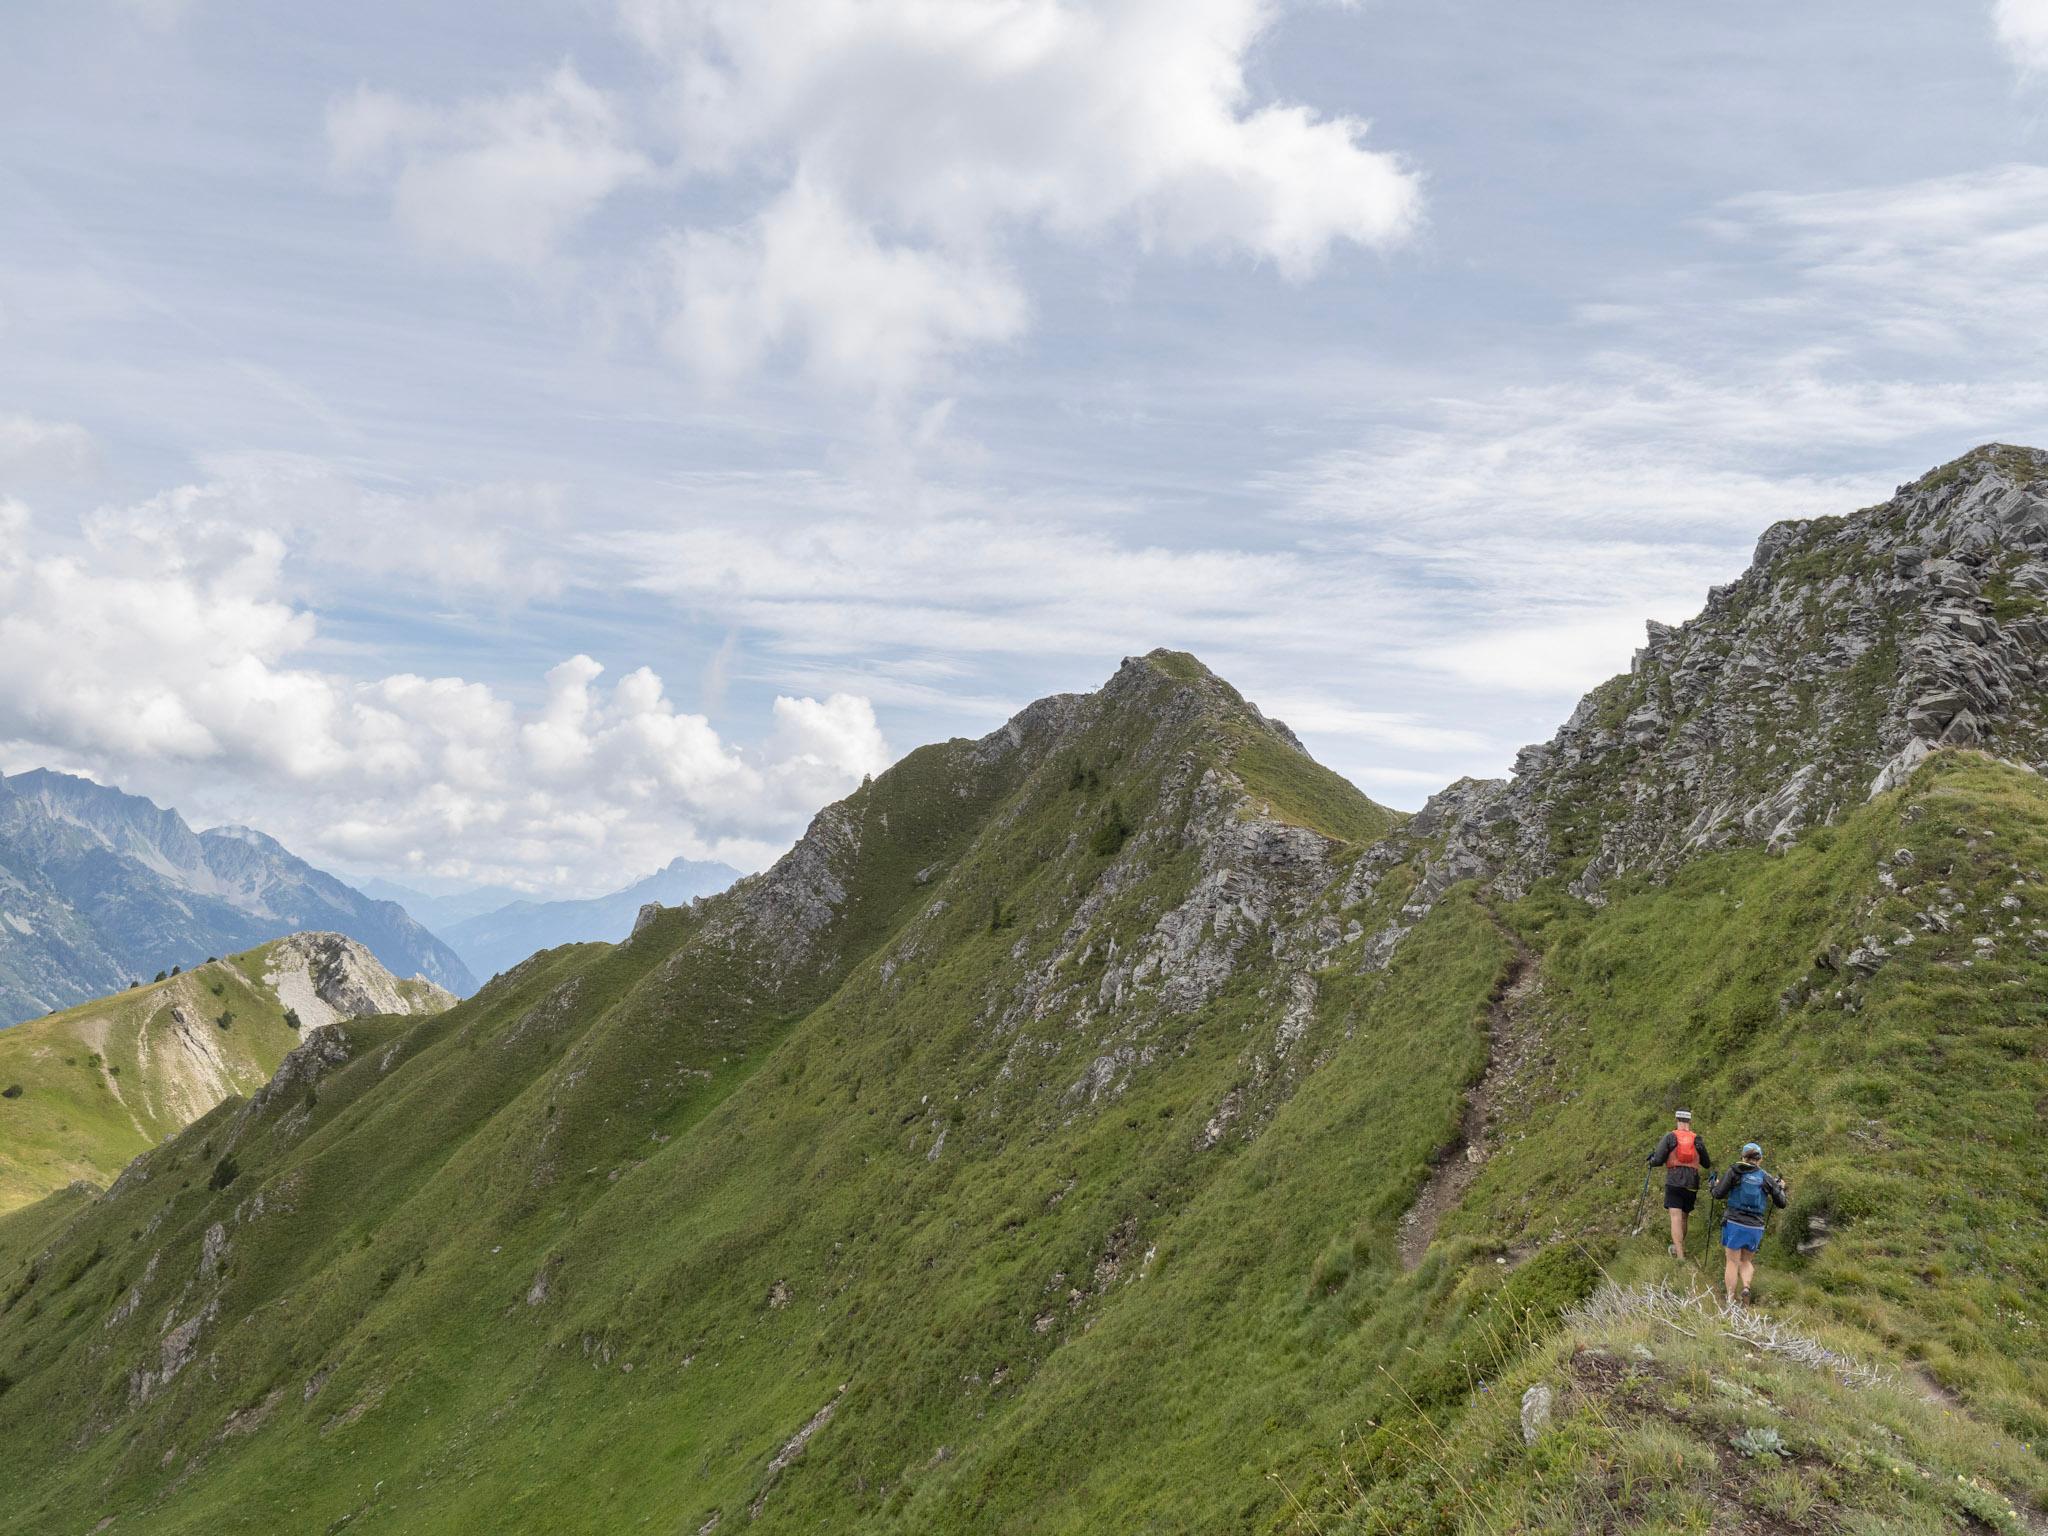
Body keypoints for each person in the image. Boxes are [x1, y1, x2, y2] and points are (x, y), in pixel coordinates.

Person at [1711, 1142, 1788, 1305]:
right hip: (1755, 1226)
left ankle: (1730, 1300)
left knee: (1732, 1261)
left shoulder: (1734, 1171)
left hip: (1734, 1222)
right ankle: (1746, 1286)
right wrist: (1781, 1188)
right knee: (1746, 1261)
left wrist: (1713, 1185)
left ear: (1743, 1156)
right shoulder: (1766, 1177)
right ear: (1760, 1159)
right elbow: (1781, 1203)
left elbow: (1718, 1194)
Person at [1646, 1109, 1713, 1260]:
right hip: (1692, 1183)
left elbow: (1658, 1159)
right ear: (1690, 1122)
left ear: (1677, 1120)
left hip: (1674, 1180)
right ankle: (1679, 1249)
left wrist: (1651, 1161)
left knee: (1675, 1217)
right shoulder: (1697, 1139)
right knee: (1684, 1218)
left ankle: (1680, 1256)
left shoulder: (1670, 1137)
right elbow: (1707, 1163)